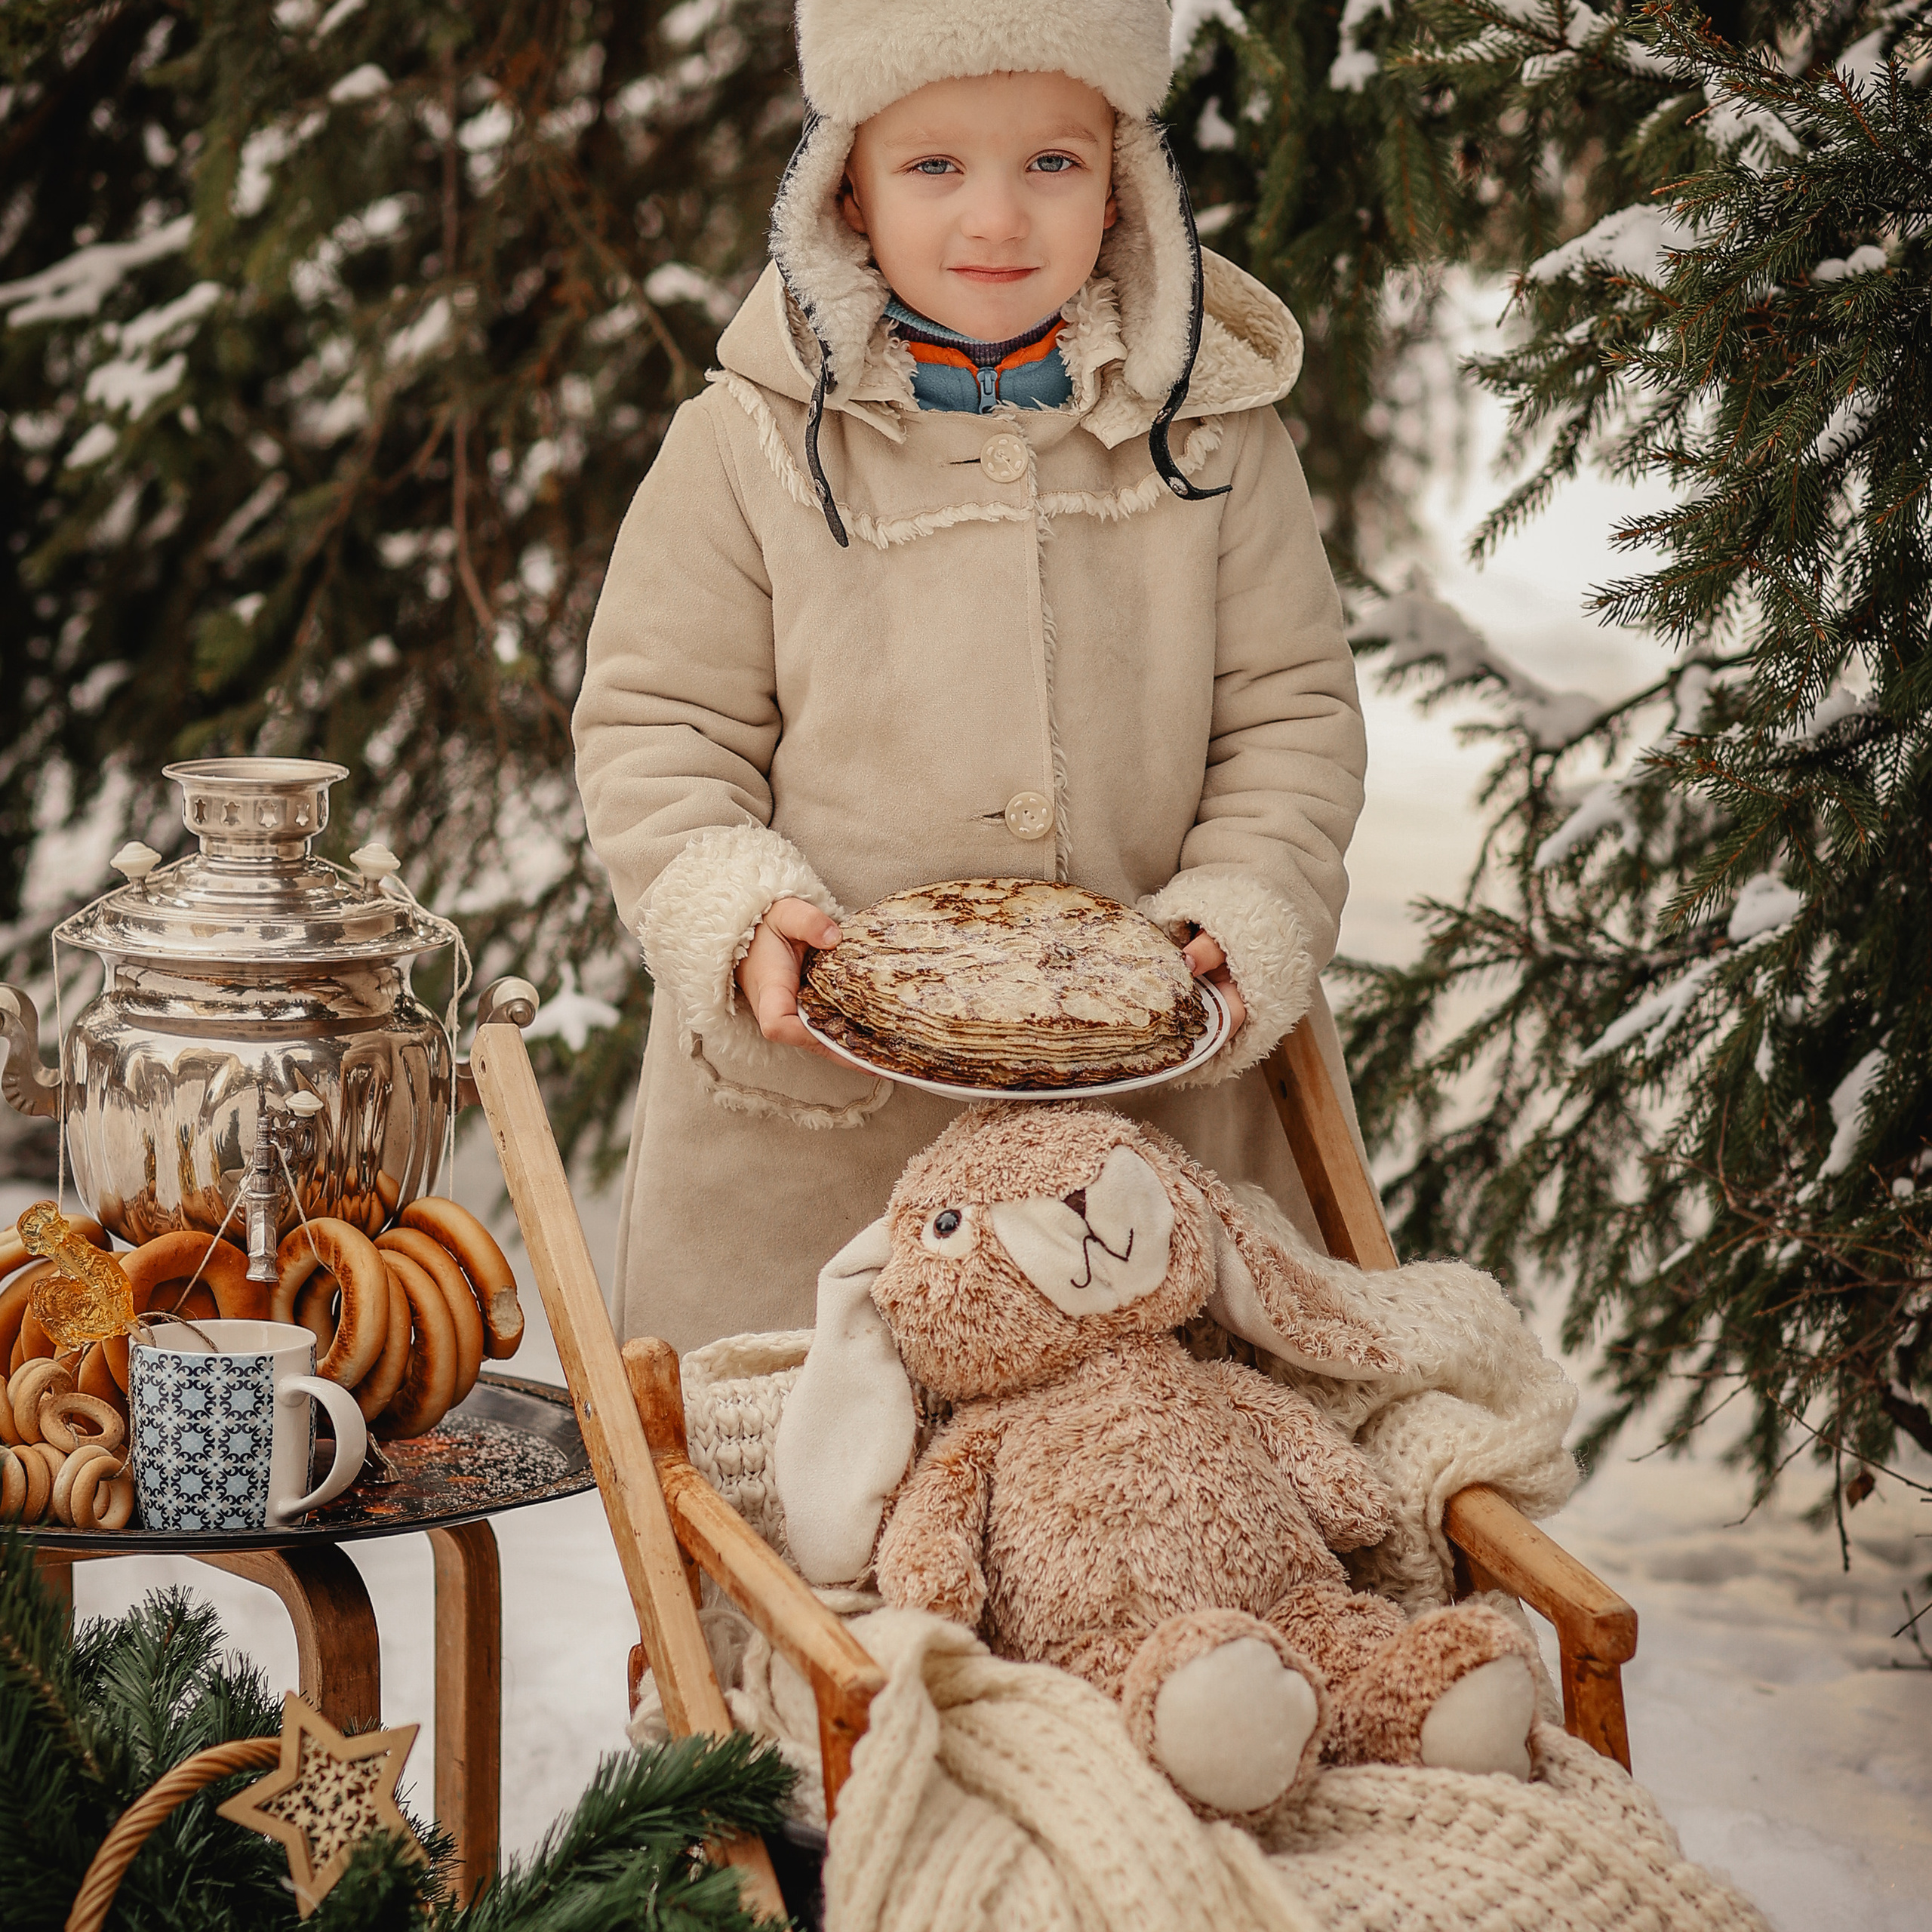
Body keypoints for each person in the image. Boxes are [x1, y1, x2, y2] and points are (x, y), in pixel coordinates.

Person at [574, 0, 1369, 1352]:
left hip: (1146, 1119)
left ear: (1121, 180)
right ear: (848, 190)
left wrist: (1248, 901)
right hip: (824, 1143)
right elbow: (658, 730)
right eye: (934, 167)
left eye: (1050, 164)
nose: (996, 222)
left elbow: (1289, 718)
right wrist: (735, 911)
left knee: (1157, 1489)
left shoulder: (1214, 435)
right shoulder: (745, 445)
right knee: (835, 1522)